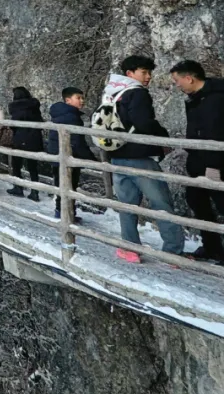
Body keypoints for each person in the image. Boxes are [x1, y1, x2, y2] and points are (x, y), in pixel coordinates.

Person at [102, 55, 184, 263]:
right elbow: (144, 122)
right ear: (130, 74)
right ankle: (173, 252)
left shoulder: (112, 92)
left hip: (117, 156)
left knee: (127, 205)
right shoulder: (137, 93)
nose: (148, 77)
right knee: (161, 203)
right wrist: (162, 135)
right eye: (143, 72)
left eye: (149, 72)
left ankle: (129, 248)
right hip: (140, 156)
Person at [170, 60, 224, 262]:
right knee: (197, 201)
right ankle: (212, 247)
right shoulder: (197, 97)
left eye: (177, 81)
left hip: (215, 164)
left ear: (189, 78)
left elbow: (217, 134)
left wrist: (214, 166)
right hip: (198, 162)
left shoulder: (215, 99)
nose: (177, 85)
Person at [48, 87, 91, 222]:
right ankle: (66, 214)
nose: (82, 101)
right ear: (68, 100)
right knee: (70, 185)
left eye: (82, 98)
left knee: (62, 184)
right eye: (78, 98)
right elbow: (77, 141)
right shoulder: (72, 117)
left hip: (57, 154)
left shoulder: (60, 114)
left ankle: (61, 211)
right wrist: (91, 159)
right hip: (68, 156)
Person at [7, 87, 44, 201]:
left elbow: (14, 124)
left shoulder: (15, 107)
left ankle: (18, 187)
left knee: (16, 164)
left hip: (20, 138)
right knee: (33, 166)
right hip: (35, 139)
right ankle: (35, 191)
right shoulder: (34, 105)